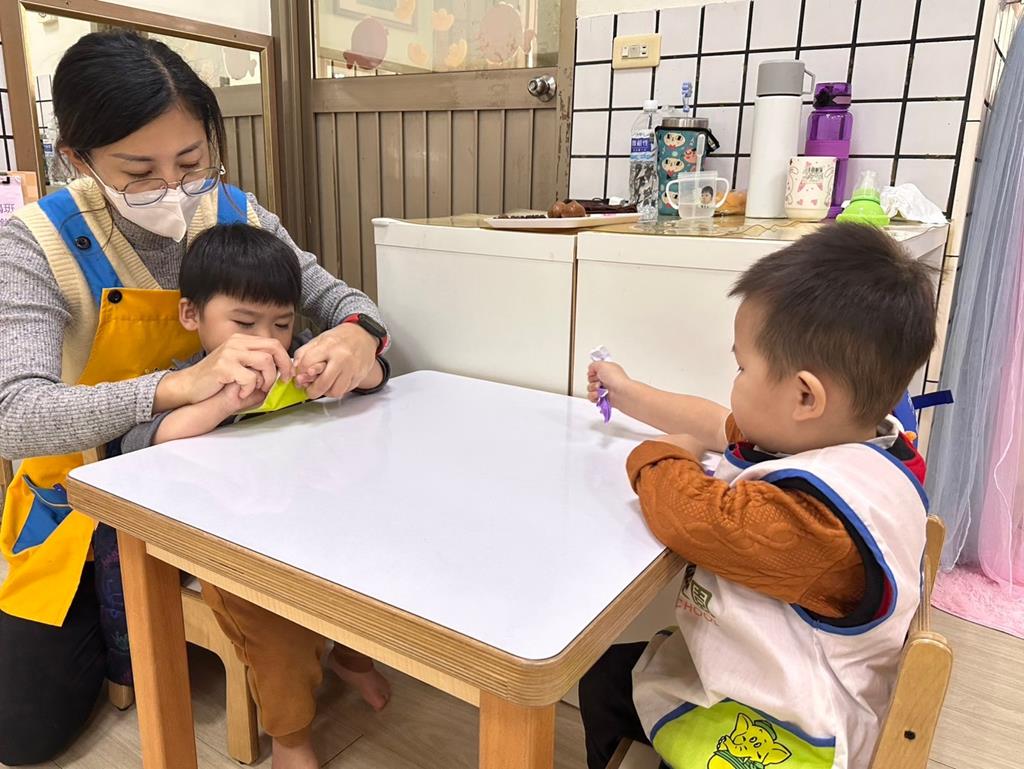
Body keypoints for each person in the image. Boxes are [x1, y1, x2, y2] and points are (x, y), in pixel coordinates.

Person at [0, 31, 389, 769]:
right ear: (78, 158)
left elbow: (340, 300)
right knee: (23, 735)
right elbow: (14, 418)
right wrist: (175, 386)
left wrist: (357, 336)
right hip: (81, 497)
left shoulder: (236, 211)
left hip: (228, 478)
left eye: (192, 162)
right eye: (139, 172)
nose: (175, 190)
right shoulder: (34, 245)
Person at [579, 223, 936, 769]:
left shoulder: (815, 523)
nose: (736, 379)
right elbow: (715, 422)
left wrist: (661, 455)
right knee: (607, 676)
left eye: (742, 367)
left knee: (608, 681)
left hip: (791, 731)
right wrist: (627, 391)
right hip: (783, 683)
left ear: (805, 396)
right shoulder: (866, 444)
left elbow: (692, 519)